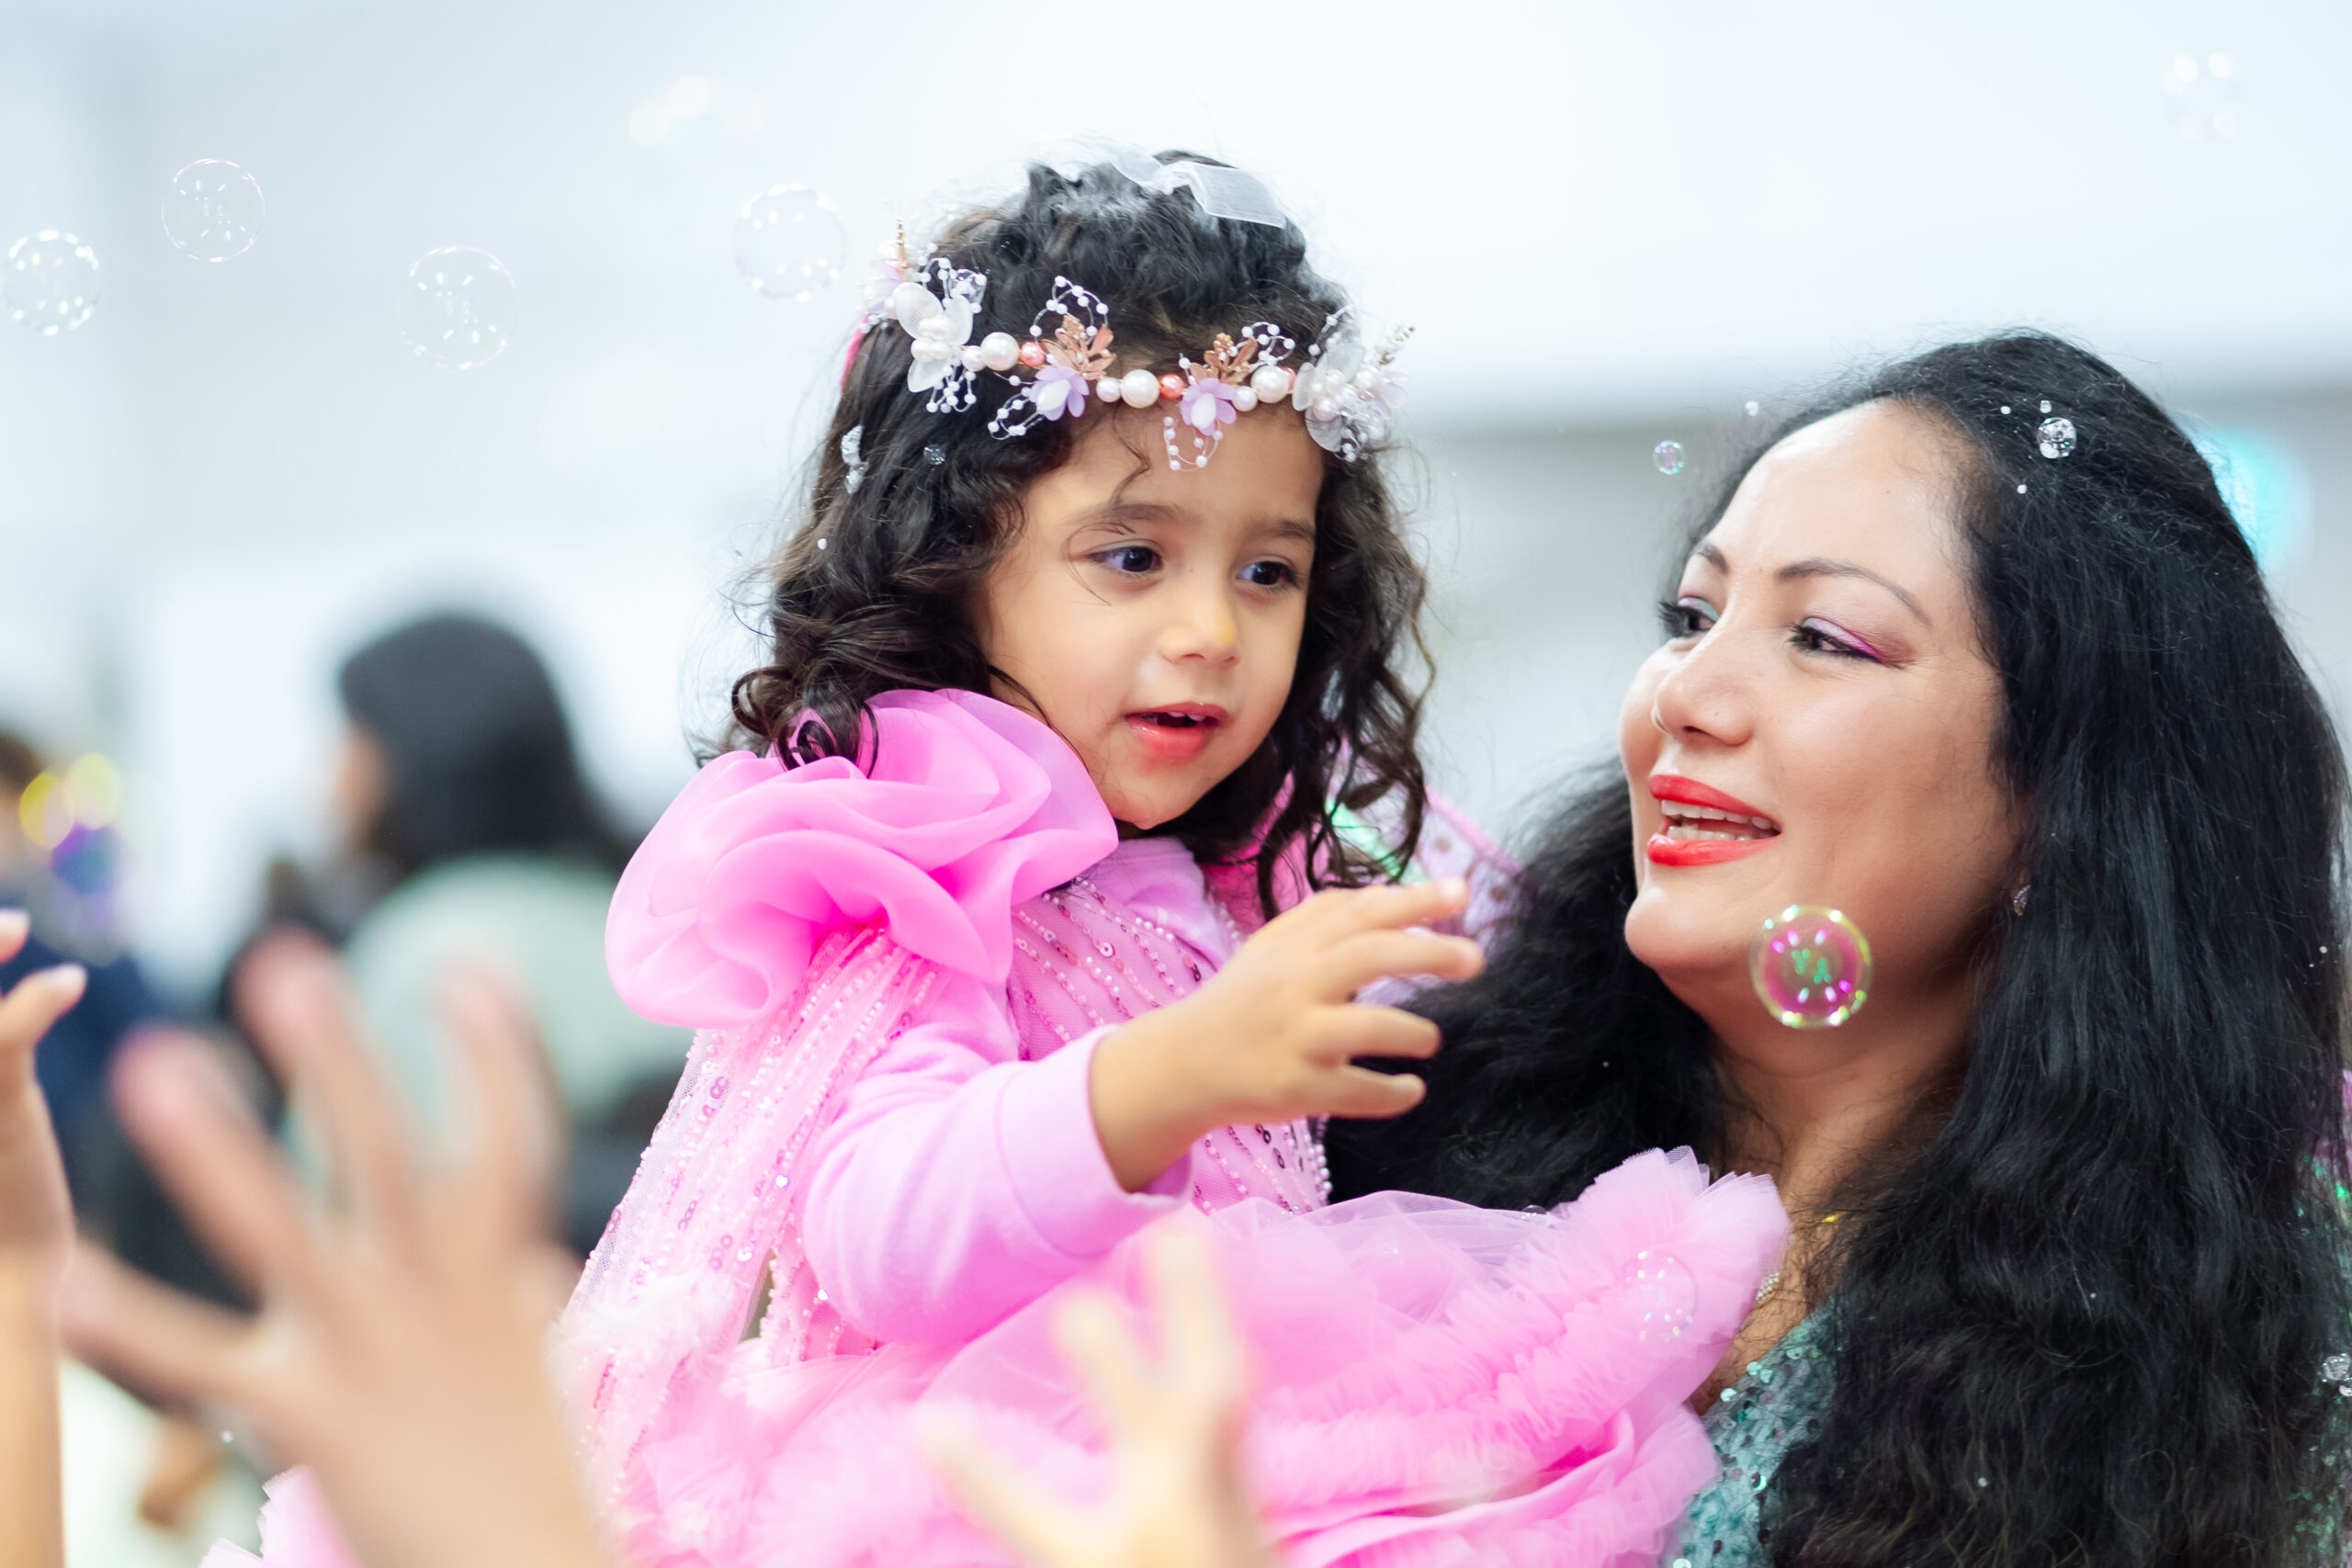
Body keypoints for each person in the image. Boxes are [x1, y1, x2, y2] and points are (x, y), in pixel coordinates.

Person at [537, 152, 1783, 1567]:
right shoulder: (930, 852)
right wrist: (1174, 1069)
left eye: (1268, 570)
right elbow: (878, 1231)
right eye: (1131, 557)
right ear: (955, 562)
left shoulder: (1224, 864)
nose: (1211, 630)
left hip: (1215, 1460)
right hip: (1011, 1497)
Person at [1328, 330, 2352, 1565]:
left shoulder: (2253, 1365)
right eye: (1691, 615)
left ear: (2061, 796)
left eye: (1823, 636)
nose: (1683, 696)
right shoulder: (1373, 1127)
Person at [317, 613, 689, 1253]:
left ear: (404, 756)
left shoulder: (418, 950)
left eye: (347, 742)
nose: (330, 783)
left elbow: (351, 1222)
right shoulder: (640, 919)